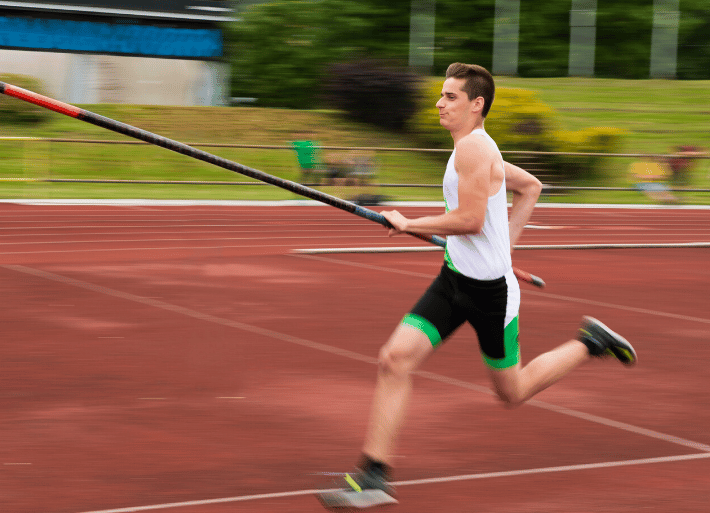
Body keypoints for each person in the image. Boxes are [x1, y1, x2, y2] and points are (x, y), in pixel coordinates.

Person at [316, 63, 637, 511]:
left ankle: (589, 343)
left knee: (512, 392)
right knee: (394, 359)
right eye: (441, 95)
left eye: (450, 97)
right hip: (454, 280)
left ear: (476, 104)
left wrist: (408, 223)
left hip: (490, 296)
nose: (439, 103)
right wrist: (505, 251)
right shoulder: (473, 149)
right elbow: (529, 187)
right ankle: (374, 477)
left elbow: (469, 220)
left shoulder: (472, 150)